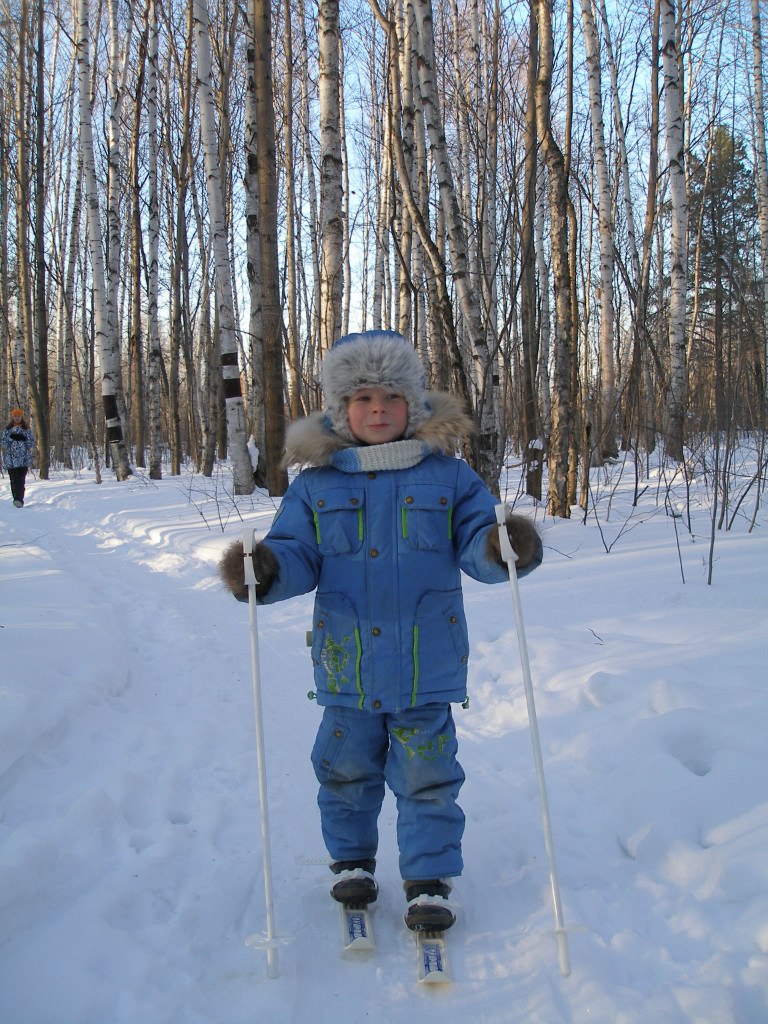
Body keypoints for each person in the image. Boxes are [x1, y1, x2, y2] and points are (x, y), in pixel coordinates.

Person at [219, 331, 542, 932]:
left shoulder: (450, 479)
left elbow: (476, 541)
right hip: (347, 668)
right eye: (362, 398)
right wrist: (263, 569)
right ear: (339, 409)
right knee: (344, 772)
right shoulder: (317, 486)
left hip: (428, 666)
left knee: (428, 776)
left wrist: (502, 546)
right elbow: (297, 554)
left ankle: (427, 879)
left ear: (413, 406)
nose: (376, 410)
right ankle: (352, 865)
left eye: (391, 397)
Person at [2, 408, 36, 508]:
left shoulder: (26, 430)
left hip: (23, 461)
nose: (17, 418)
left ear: (22, 417)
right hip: (11, 461)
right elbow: (3, 444)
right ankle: (16, 499)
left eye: (19, 416)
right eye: (15, 416)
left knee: (21, 481)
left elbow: (31, 444)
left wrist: (24, 439)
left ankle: (20, 500)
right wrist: (11, 438)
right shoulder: (7, 430)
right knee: (14, 480)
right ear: (13, 417)